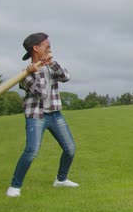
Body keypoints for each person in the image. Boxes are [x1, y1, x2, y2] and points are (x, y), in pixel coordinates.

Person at [6, 33, 79, 197]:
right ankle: (14, 187)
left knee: (70, 149)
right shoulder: (25, 75)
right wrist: (34, 72)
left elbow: (66, 77)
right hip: (36, 116)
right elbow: (42, 93)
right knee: (31, 151)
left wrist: (51, 63)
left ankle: (61, 180)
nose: (50, 49)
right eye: (47, 46)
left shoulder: (50, 65)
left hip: (55, 114)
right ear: (36, 48)